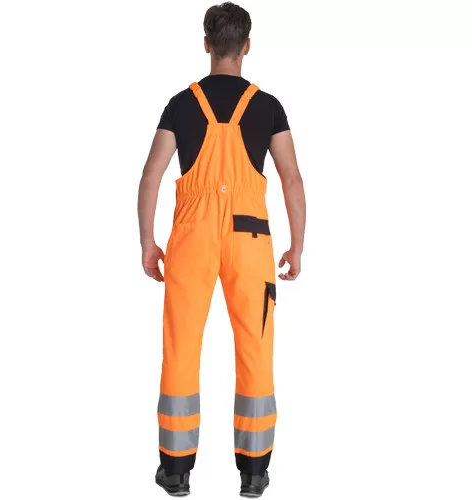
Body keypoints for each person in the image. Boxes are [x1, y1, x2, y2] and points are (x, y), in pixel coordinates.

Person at [137, 2, 306, 497]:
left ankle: (176, 471)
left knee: (181, 347)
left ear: (207, 44)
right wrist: (297, 246)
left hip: (190, 238)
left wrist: (148, 241)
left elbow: (151, 176)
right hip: (250, 239)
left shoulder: (181, 104)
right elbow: (292, 180)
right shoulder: (268, 106)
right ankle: (253, 473)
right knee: (255, 348)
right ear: (247, 46)